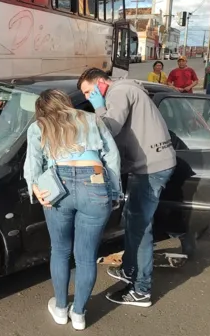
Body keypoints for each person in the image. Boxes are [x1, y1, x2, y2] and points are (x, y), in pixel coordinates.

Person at [77, 68, 176, 307]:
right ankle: (130, 270)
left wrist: (99, 108)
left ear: (101, 82)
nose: (90, 98)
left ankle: (141, 289)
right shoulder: (128, 89)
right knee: (133, 224)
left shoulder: (118, 93)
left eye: (90, 92)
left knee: (140, 229)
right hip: (150, 165)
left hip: (150, 168)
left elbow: (109, 128)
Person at [24, 89, 122, 330]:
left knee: (59, 250)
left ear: (42, 110)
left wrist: (34, 188)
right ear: (65, 102)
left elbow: (33, 164)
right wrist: (115, 192)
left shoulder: (39, 126)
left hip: (59, 185)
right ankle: (78, 314)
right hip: (95, 183)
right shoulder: (91, 119)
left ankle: (59, 308)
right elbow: (112, 157)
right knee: (86, 256)